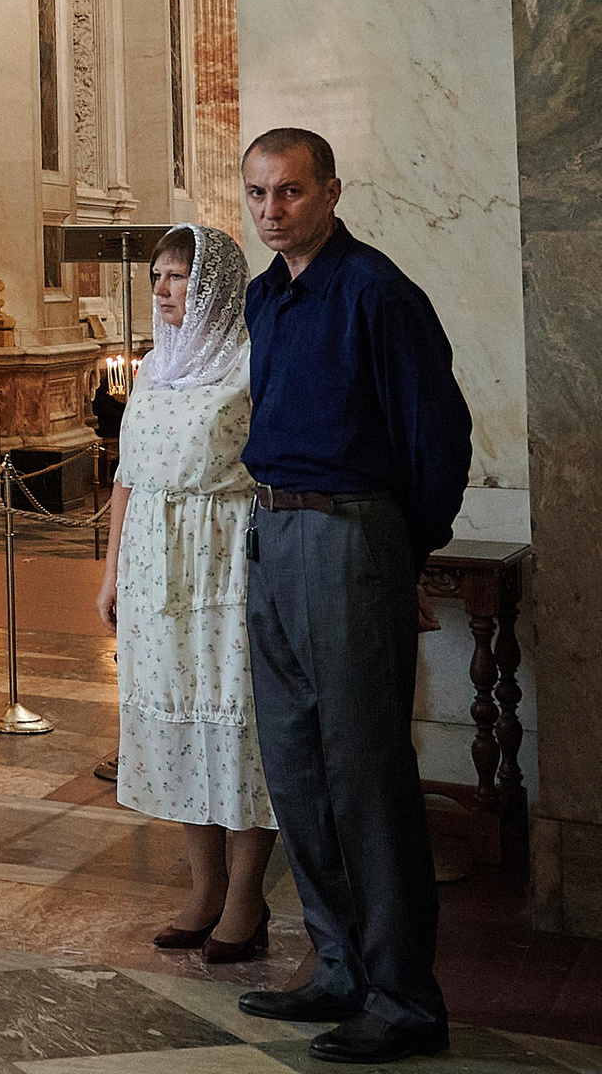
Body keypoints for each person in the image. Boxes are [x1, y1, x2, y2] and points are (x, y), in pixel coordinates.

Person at [235, 127, 469, 1064]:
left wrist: (398, 553)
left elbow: (435, 441)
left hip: (349, 534)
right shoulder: (262, 297)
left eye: (289, 192)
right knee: (294, 765)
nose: (270, 211)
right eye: (256, 195)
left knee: (367, 775)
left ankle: (406, 998)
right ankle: (337, 967)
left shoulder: (377, 293)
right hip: (273, 533)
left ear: (331, 191)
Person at [94, 224, 278, 963]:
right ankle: (202, 887)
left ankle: (246, 896)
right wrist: (110, 572)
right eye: (158, 277)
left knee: (235, 719)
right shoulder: (152, 366)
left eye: (177, 276)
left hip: (227, 556)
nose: (164, 290)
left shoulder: (253, 361)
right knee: (173, 722)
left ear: (215, 284)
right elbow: (126, 475)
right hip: (151, 560)